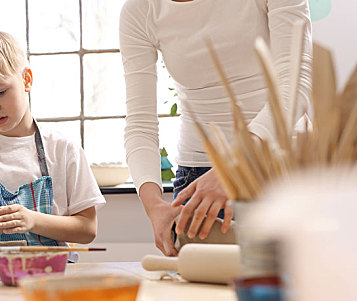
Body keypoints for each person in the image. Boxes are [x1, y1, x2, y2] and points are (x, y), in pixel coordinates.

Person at [119, 0, 312, 256]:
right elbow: (140, 125)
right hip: (201, 181)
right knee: (201, 294)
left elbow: (295, 86)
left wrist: (232, 166)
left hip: (281, 167)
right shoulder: (140, 10)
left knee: (294, 290)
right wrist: (154, 206)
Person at [0, 30, 106, 263]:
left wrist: (34, 221)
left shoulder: (64, 150)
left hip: (52, 280)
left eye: (0, 92)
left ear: (26, 80)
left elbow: (88, 229)